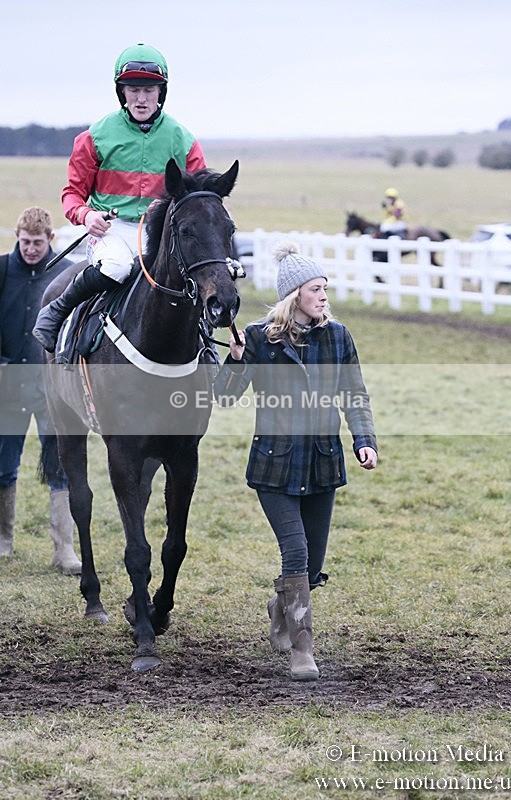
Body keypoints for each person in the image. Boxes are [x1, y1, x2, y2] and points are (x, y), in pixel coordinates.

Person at [213, 242, 378, 682]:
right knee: (297, 553)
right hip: (275, 467)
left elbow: (354, 395)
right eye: (315, 289)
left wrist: (365, 440)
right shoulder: (259, 339)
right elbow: (225, 396)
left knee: (314, 562)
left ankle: (281, 604)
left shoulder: (338, 336)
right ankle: (302, 651)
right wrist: (232, 361)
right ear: (294, 296)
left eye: (325, 288)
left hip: (322, 464)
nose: (324, 296)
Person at [33, 42, 207, 353]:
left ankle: (205, 346)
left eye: (149, 90)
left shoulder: (183, 139)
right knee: (116, 266)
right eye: (133, 89)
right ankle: (57, 311)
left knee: (190, 275)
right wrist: (87, 216)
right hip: (111, 231)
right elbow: (73, 194)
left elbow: (199, 199)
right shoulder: (95, 136)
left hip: (157, 232)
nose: (141, 98)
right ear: (121, 92)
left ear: (161, 92)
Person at [0, 207, 81, 574]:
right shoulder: (2, 271)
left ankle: (64, 549)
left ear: (50, 239)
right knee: (3, 467)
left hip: (52, 387)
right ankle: (3, 541)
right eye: (25, 241)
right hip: (10, 385)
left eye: (37, 242)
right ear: (17, 237)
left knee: (60, 465)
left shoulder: (63, 275)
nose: (31, 249)